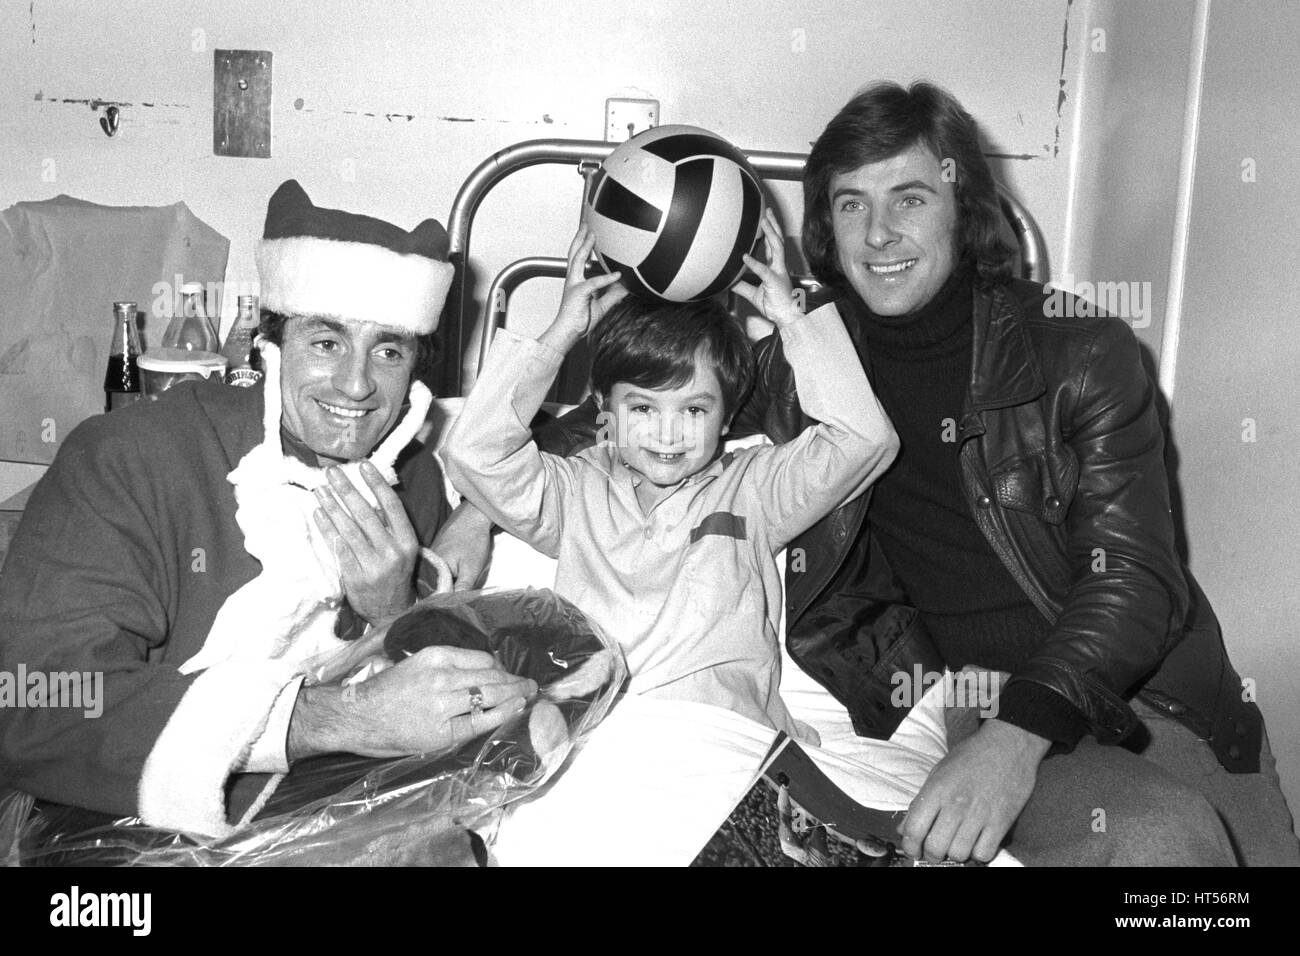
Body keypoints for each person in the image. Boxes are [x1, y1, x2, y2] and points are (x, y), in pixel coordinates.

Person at [443, 82, 1298, 866]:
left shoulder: (1080, 352)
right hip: (965, 703)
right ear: (822, 225)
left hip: (1137, 690)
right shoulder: (795, 364)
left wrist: (1015, 740)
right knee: (1155, 844)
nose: (879, 234)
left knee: (1195, 870)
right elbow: (626, 427)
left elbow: (1134, 579)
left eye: (910, 198)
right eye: (852, 204)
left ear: (965, 209)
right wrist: (476, 512)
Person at [0, 179, 535, 841]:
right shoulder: (126, 459)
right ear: (270, 345)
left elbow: (420, 696)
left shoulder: (412, 477)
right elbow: (33, 707)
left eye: (388, 351)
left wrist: (398, 605)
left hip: (315, 811)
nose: (358, 385)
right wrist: (339, 717)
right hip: (107, 824)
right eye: (327, 343)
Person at [442, 214, 897, 736]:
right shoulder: (573, 491)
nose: (668, 434)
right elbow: (475, 454)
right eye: (642, 408)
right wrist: (562, 331)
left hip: (723, 740)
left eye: (694, 410)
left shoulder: (755, 490)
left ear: (726, 418)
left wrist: (792, 321)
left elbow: (866, 440)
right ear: (603, 411)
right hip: (599, 736)